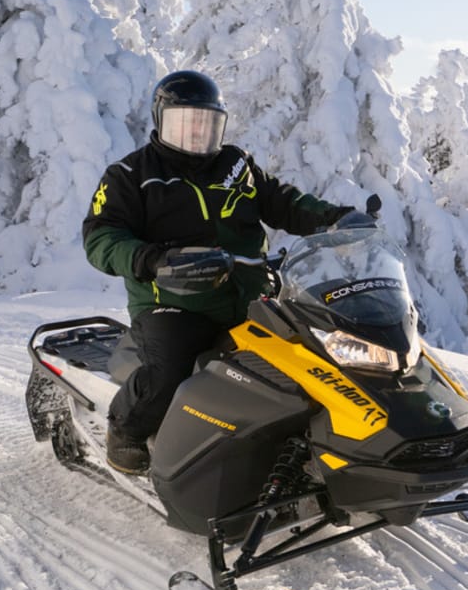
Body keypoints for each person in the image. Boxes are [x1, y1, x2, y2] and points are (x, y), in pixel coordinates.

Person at [82, 70, 355, 474]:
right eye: (185, 122)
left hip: (249, 294)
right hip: (173, 302)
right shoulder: (131, 175)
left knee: (309, 355)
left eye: (208, 123)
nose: (197, 133)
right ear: (161, 120)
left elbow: (283, 201)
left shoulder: (235, 164)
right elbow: (100, 237)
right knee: (170, 368)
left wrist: (336, 220)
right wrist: (151, 260)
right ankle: (127, 429)